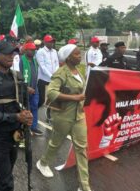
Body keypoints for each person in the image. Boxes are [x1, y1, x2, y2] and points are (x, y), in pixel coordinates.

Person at [0, 41, 33, 191]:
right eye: (7, 53)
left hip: (14, 135)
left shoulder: (17, 77)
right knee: (7, 182)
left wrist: (27, 115)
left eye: (13, 53)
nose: (11, 56)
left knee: (4, 178)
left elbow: (22, 103)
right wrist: (15, 117)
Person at [36, 44, 92, 191]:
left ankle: (84, 186)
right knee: (55, 144)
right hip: (63, 116)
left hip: (79, 116)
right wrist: (75, 97)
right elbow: (52, 93)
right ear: (68, 58)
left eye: (80, 54)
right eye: (77, 54)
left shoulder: (79, 71)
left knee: (82, 149)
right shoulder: (61, 72)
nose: (80, 56)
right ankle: (42, 163)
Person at [19, 42, 42, 135]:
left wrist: (34, 87)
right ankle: (24, 128)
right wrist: (26, 87)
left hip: (34, 88)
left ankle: (33, 127)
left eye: (34, 50)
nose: (33, 52)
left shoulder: (35, 60)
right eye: (31, 50)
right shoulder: (21, 60)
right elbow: (18, 75)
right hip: (24, 89)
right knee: (25, 109)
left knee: (35, 107)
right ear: (26, 50)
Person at [36, 34, 59, 108]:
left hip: (53, 78)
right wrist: (51, 75)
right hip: (43, 79)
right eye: (49, 42)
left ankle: (49, 114)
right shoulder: (41, 52)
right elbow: (42, 66)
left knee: (53, 98)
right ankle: (34, 110)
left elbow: (57, 63)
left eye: (52, 41)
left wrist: (55, 74)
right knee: (41, 100)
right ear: (45, 42)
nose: (51, 43)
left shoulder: (54, 51)